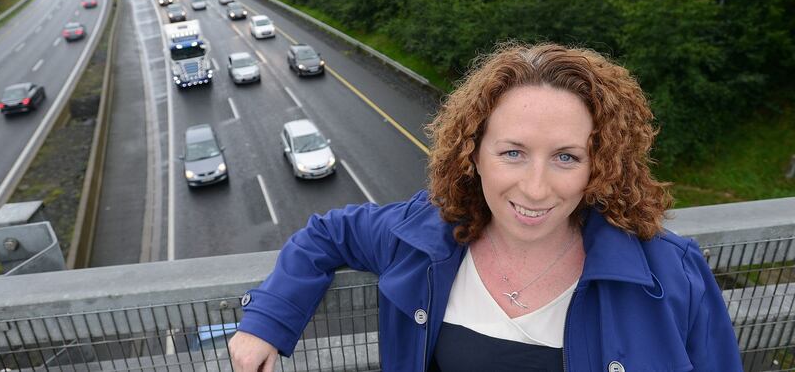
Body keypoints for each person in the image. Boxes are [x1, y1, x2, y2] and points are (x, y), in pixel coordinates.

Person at [229, 42, 742, 371]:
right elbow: (326, 235)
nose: (536, 188)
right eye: (513, 153)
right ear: (473, 153)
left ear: (600, 163)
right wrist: (265, 323)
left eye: (566, 156)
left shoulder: (670, 276)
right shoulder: (422, 237)